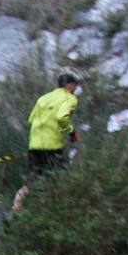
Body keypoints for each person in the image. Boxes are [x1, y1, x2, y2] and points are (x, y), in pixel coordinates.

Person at [12, 73, 80, 211]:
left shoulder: (43, 98)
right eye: (75, 86)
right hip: (53, 146)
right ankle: (47, 211)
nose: (75, 89)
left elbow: (31, 120)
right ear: (70, 85)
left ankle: (16, 208)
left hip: (34, 145)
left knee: (33, 180)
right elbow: (62, 118)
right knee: (55, 178)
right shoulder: (70, 98)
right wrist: (72, 133)